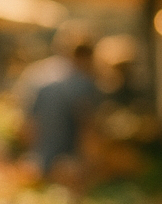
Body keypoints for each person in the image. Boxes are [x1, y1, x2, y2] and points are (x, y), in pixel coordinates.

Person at [17, 21, 101, 177]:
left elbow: (28, 126)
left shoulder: (36, 75)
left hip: (40, 158)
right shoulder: (83, 83)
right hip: (69, 163)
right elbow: (87, 128)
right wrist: (90, 165)